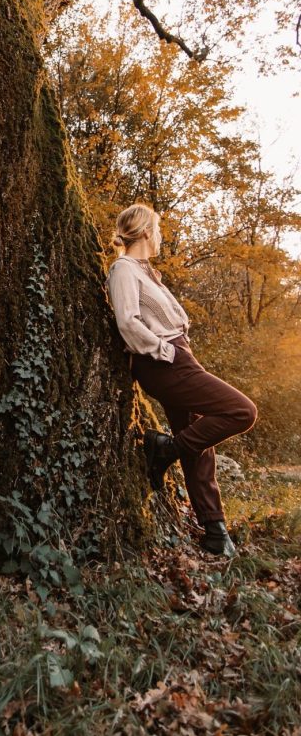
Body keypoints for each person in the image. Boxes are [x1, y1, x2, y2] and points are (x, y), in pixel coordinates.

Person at [107, 203, 257, 558]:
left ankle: (215, 530)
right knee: (242, 411)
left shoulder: (145, 272)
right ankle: (166, 449)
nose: (160, 237)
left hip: (175, 358)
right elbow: (128, 323)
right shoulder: (124, 269)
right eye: (157, 231)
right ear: (145, 232)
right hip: (165, 363)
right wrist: (167, 351)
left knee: (198, 444)